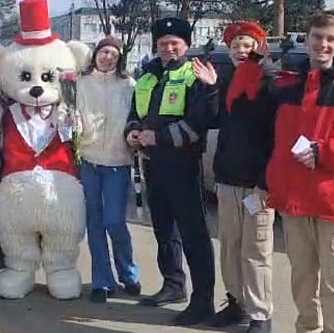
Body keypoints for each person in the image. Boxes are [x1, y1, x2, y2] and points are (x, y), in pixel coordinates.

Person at [230, 10, 334, 333]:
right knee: (302, 283)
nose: (323, 44)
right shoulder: (286, 85)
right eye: (317, 37)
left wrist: (325, 152)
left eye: (331, 39)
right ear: (306, 39)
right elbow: (246, 113)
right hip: (293, 203)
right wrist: (251, 66)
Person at [124, 17, 219, 326]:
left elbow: (199, 122)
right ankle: (173, 284)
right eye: (163, 43)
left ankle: (202, 300)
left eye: (174, 42)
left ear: (186, 45)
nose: (168, 47)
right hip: (153, 166)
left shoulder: (195, 75)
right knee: (163, 230)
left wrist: (159, 137)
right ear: (156, 46)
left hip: (183, 166)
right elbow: (135, 114)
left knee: (194, 235)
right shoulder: (147, 76)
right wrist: (133, 132)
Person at [211, 21, 275, 333]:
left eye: (247, 45)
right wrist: (210, 88)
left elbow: (278, 135)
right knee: (230, 247)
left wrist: (266, 182)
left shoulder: (269, 83)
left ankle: (261, 315)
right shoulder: (225, 82)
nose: (240, 50)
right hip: (228, 179)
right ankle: (237, 304)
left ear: (259, 50)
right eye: (235, 45)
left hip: (258, 185)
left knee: (256, 251)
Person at [76, 36, 140, 303]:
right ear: (95, 54)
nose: (107, 57)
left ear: (120, 57)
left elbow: (137, 116)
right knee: (95, 222)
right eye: (104, 52)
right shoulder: (80, 82)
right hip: (88, 160)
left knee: (114, 220)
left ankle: (128, 273)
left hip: (118, 161)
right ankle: (103, 280)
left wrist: (135, 136)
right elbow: (68, 111)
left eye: (113, 53)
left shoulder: (129, 84)